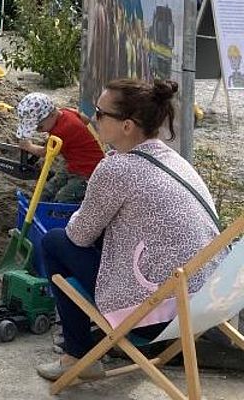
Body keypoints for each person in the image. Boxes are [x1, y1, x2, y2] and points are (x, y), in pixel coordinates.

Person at [35, 79, 224, 382]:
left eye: (99, 113)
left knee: (54, 241)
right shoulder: (173, 159)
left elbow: (78, 236)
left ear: (127, 126)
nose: (92, 119)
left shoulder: (117, 168)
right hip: (206, 303)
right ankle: (82, 350)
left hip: (155, 316)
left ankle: (77, 356)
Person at [14, 93, 105, 203]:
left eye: (39, 126)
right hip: (73, 165)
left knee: (63, 199)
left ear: (52, 114)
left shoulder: (61, 131)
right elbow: (85, 119)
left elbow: (45, 153)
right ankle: (41, 206)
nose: (38, 130)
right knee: (48, 189)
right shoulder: (66, 111)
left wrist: (28, 146)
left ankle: (60, 217)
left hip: (89, 172)